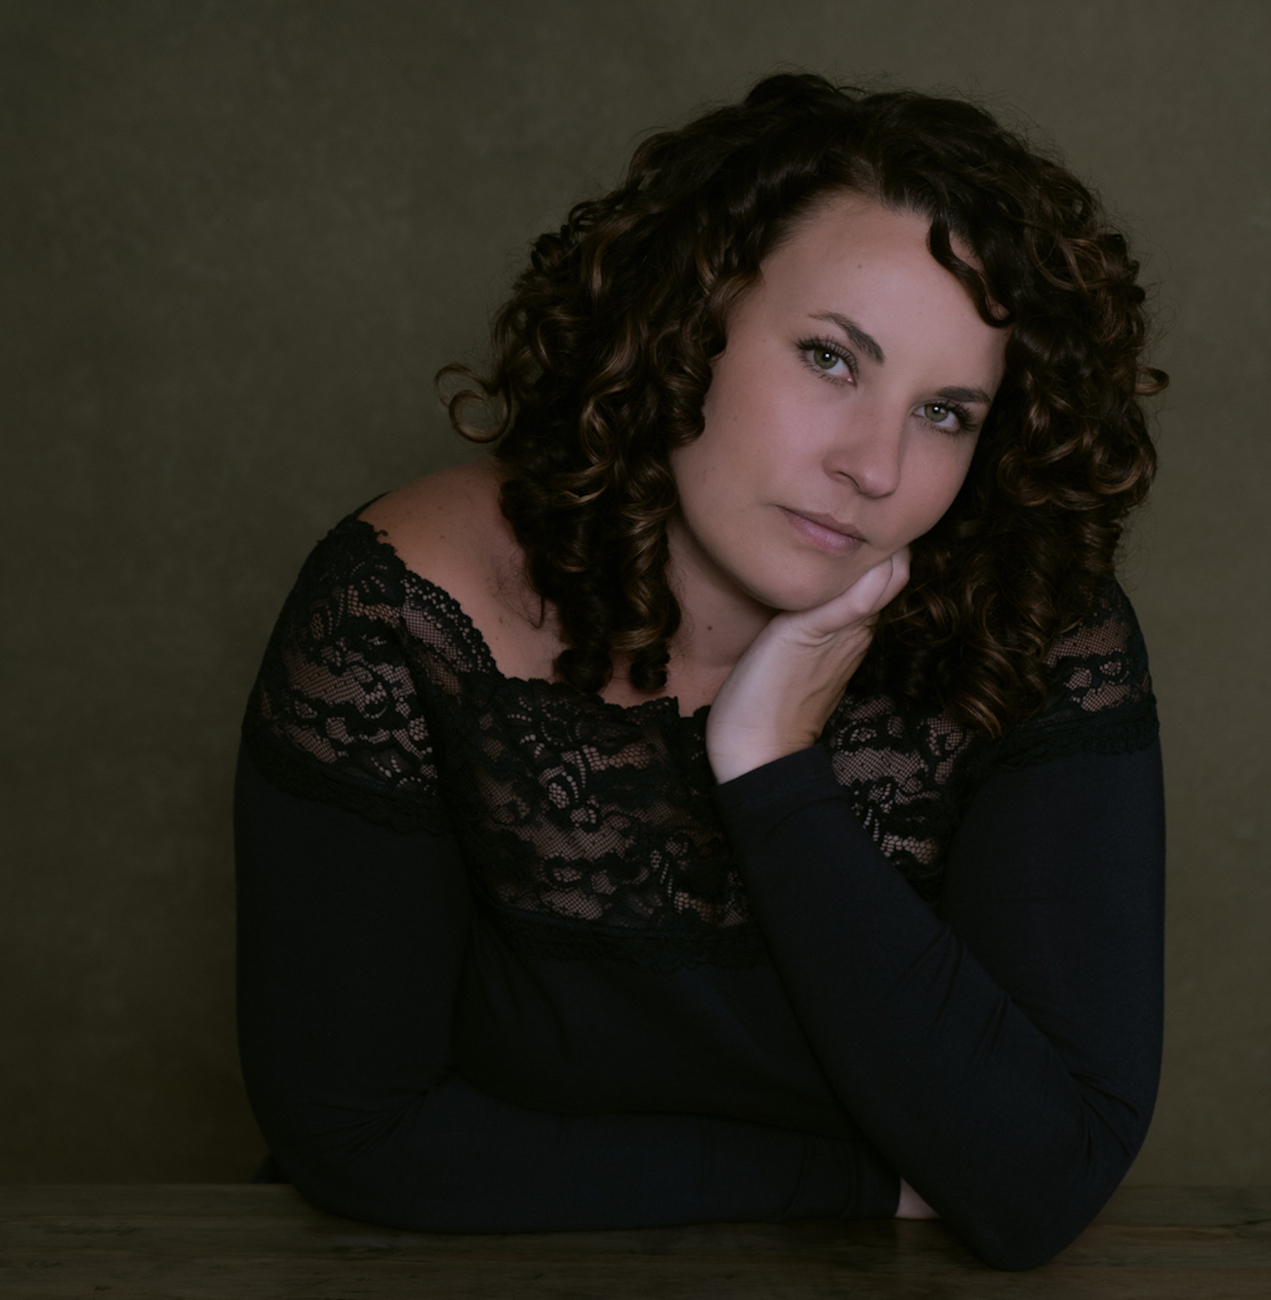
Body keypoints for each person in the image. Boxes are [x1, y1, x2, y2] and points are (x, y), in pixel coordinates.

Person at [234, 73, 1166, 1272]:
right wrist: (847, 1182)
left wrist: (770, 771)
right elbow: (355, 1133)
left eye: (944, 412)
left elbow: (1042, 1177)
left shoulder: (1035, 625)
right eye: (829, 358)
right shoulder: (414, 606)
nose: (875, 467)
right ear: (687, 323)